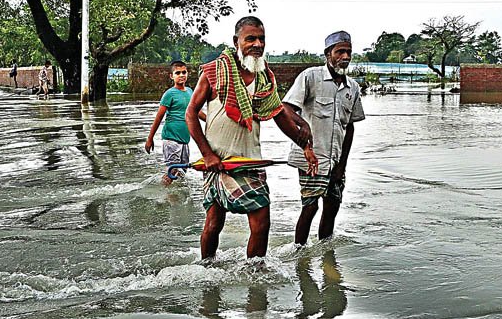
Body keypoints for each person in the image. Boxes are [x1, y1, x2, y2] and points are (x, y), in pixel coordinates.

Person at [185, 16, 317, 259]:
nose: (257, 44)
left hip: (249, 162)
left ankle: (255, 276)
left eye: (261, 39)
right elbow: (190, 114)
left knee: (261, 225)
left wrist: (305, 145)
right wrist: (207, 154)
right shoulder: (214, 71)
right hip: (217, 163)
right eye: (250, 39)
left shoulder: (264, 76)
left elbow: (280, 116)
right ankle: (207, 269)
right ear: (236, 41)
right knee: (214, 223)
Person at [283, 31, 366, 244]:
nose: (345, 57)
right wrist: (302, 129)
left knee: (332, 208)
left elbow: (350, 128)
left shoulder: (353, 88)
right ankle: (300, 256)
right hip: (312, 160)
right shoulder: (311, 77)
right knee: (309, 207)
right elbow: (286, 109)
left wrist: (342, 166)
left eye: (348, 52)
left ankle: (326, 258)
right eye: (340, 52)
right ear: (328, 53)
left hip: (336, 162)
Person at [145, 60, 205, 185]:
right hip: (171, 139)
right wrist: (150, 138)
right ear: (172, 76)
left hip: (184, 141)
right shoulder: (169, 94)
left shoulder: (190, 92)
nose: (182, 75)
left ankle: (174, 195)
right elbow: (159, 117)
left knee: (182, 173)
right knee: (172, 171)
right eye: (178, 73)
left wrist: (211, 121)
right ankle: (167, 197)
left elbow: (196, 112)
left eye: (184, 72)